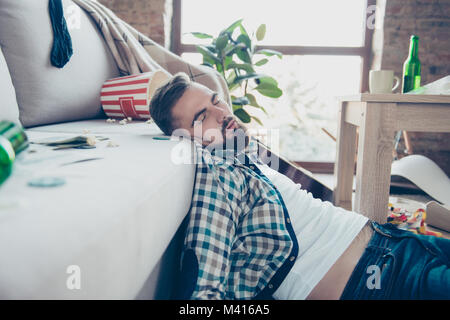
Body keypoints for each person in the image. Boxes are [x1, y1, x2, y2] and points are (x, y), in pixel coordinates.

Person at [149, 72, 450, 300]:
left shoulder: (244, 156)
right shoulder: (218, 175)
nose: (221, 114)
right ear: (185, 138)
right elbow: (202, 293)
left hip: (397, 242)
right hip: (379, 276)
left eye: (216, 101)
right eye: (203, 118)